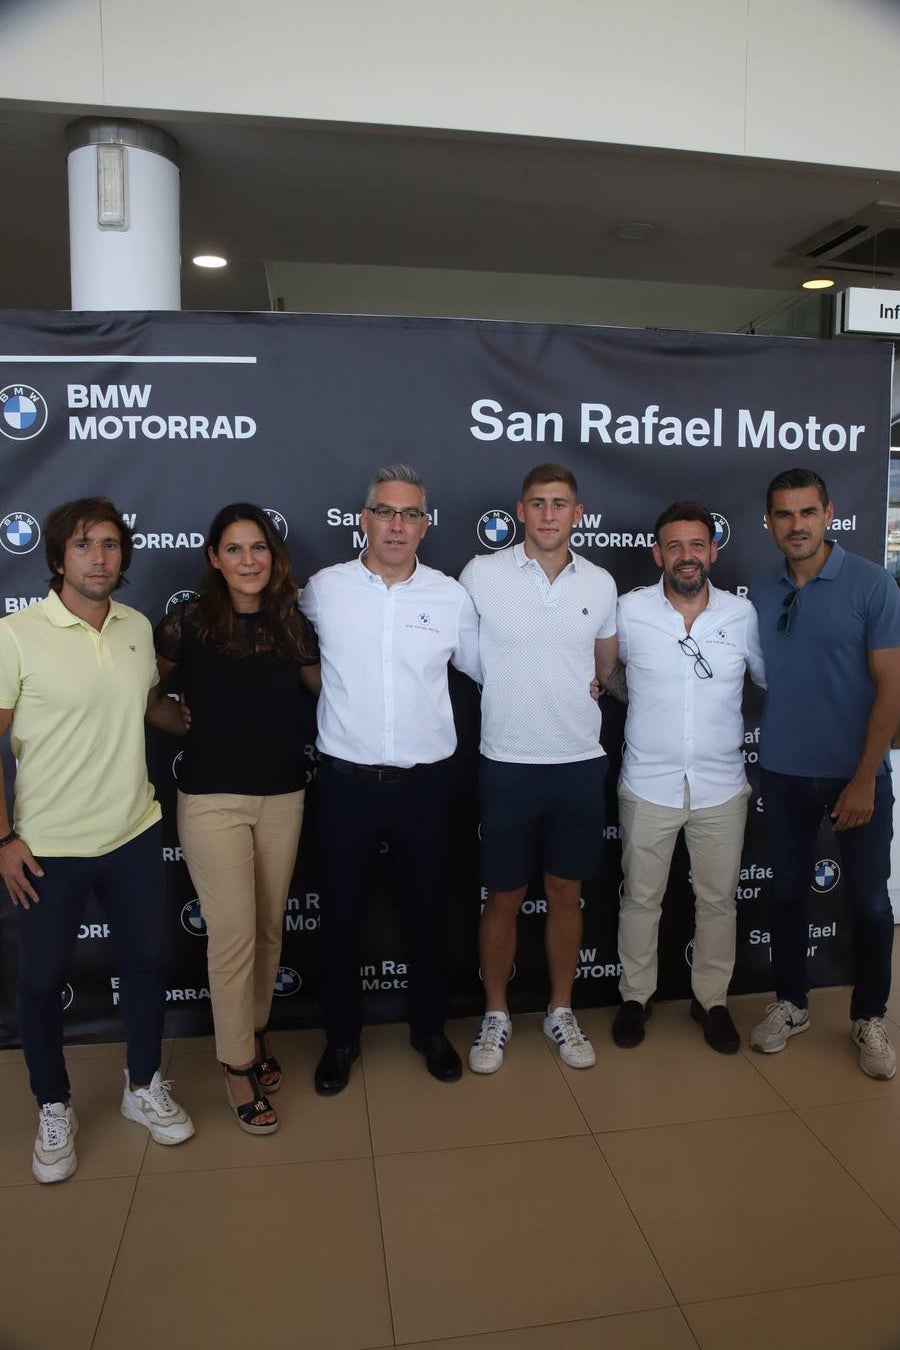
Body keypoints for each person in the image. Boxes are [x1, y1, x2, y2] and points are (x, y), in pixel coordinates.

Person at [0, 497, 194, 1184]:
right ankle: (53, 1105)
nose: (99, 557)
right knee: (40, 981)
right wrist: (4, 838)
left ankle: (143, 1086)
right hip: (48, 845)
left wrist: (225, 714)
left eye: (110, 545)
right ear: (58, 557)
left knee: (146, 963)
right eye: (84, 545)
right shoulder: (16, 634)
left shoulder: (137, 628)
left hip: (133, 833)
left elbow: (153, 710)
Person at [299, 464, 481, 1094]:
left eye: (409, 514)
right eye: (385, 511)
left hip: (425, 786)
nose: (397, 525)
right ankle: (340, 1041)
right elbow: (288, 653)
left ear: (425, 526)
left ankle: (429, 1030)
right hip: (344, 783)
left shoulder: (450, 597)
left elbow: (494, 669)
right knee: (340, 918)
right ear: (363, 519)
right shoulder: (323, 589)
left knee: (427, 915)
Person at [152, 503, 320, 1134]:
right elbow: (140, 688)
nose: (248, 561)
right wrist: (166, 715)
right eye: (234, 549)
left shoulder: (292, 624)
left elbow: (330, 692)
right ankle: (234, 1064)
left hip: (282, 794)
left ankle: (252, 1033)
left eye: (259, 549)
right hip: (211, 800)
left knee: (269, 928)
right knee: (231, 935)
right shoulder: (185, 625)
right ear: (213, 559)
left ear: (273, 559)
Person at [460, 463, 618, 1074]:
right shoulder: (482, 573)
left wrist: (586, 685)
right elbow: (466, 655)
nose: (549, 514)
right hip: (507, 762)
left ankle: (560, 1010)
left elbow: (604, 665)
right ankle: (496, 1014)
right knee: (503, 897)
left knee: (566, 894)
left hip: (579, 764)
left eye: (561, 503)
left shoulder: (600, 583)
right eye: (538, 503)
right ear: (519, 511)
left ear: (577, 514)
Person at [749, 467, 900, 1079]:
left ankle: (870, 1016)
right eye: (783, 515)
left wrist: (865, 776)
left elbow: (892, 686)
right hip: (783, 773)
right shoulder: (760, 589)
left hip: (855, 776)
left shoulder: (871, 584)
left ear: (829, 513)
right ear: (769, 523)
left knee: (867, 901)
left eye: (807, 512)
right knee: (785, 896)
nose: (796, 525)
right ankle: (791, 1003)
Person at [608, 502, 765, 1054]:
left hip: (722, 786)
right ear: (657, 554)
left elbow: (769, 680)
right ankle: (636, 996)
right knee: (640, 899)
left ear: (712, 551)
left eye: (696, 545)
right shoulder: (628, 612)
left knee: (719, 900)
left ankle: (712, 1000)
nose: (686, 556)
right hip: (648, 782)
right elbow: (608, 675)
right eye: (674, 546)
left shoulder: (741, 617)